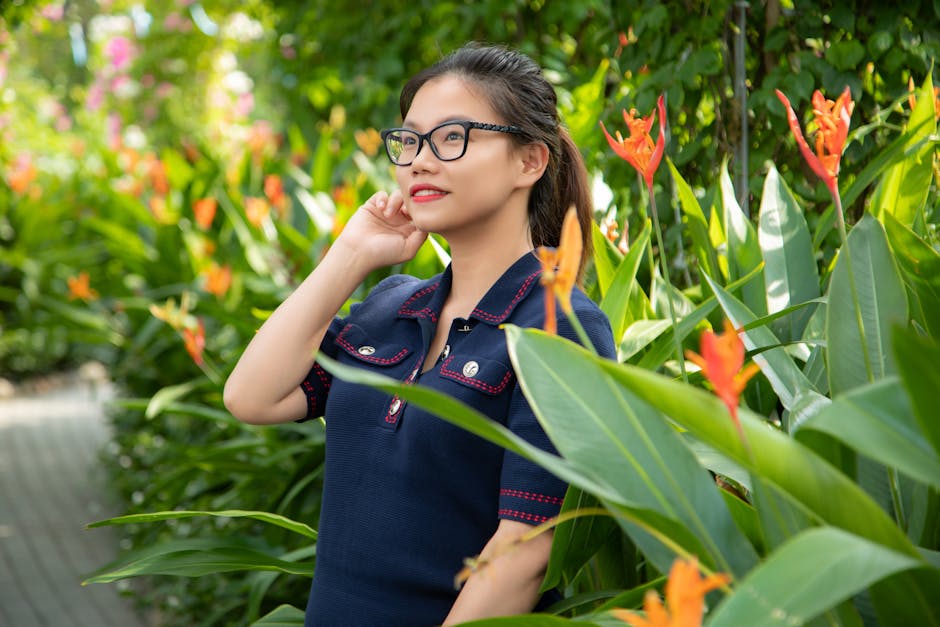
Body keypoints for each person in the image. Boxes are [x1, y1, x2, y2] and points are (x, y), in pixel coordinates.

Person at [223, 43, 616, 626]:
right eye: (409, 141)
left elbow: (527, 551)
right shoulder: (393, 306)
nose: (419, 162)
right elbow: (251, 397)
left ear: (529, 161)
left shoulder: (559, 324)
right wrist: (352, 254)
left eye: (452, 137)